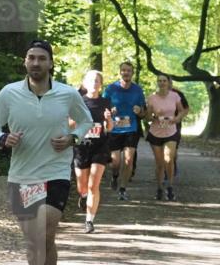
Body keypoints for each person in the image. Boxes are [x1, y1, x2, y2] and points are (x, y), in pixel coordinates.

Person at [0, 40, 93, 265]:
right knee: (33, 243)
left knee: (45, 233)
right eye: (31, 58)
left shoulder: (67, 93)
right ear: (25, 62)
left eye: (42, 58)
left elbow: (86, 121)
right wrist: (1, 138)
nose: (35, 63)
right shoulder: (10, 93)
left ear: (51, 63)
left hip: (55, 173)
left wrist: (72, 138)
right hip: (22, 176)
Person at [72, 70, 113, 233]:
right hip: (81, 147)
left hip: (100, 146)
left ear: (101, 84)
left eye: (97, 81)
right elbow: (69, 124)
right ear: (84, 83)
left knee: (93, 185)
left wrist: (108, 119)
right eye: (91, 80)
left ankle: (89, 221)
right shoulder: (78, 101)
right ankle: (83, 197)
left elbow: (110, 128)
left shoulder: (106, 102)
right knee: (82, 187)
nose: (94, 83)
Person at [102, 61, 146, 202]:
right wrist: (109, 111)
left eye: (129, 70)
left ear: (132, 73)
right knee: (115, 162)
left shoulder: (137, 90)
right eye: (124, 70)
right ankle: (115, 176)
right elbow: (102, 108)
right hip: (114, 129)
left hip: (131, 129)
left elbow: (143, 112)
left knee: (128, 159)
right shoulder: (110, 89)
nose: (126, 72)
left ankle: (123, 189)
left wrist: (139, 111)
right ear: (120, 72)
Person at [145, 73, 185, 201]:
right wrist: (153, 116)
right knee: (159, 163)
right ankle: (159, 188)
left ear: (168, 83)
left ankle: (170, 187)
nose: (162, 83)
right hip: (155, 132)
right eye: (160, 81)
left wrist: (176, 119)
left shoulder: (175, 96)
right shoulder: (152, 98)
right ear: (157, 82)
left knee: (168, 159)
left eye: (164, 81)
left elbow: (182, 111)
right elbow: (147, 117)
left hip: (171, 132)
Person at [168, 86, 190, 182]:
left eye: (166, 81)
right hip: (161, 126)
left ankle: (172, 165)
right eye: (160, 81)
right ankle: (165, 171)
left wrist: (178, 118)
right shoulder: (156, 94)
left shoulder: (178, 94)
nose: (163, 83)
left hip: (175, 125)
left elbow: (186, 108)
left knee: (173, 149)